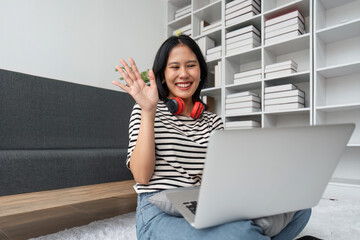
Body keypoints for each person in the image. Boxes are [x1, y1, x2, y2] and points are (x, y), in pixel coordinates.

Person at [112, 35, 311, 240]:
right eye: (174, 67)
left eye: (191, 65)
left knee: (300, 209)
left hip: (203, 205)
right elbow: (142, 177)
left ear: (200, 72)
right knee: (241, 234)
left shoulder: (214, 121)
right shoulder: (146, 110)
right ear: (162, 75)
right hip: (158, 211)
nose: (184, 74)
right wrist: (148, 111)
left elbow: (220, 178)